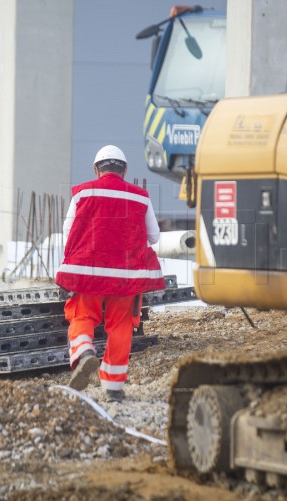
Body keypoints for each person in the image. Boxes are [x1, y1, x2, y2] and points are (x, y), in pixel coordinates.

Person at [56, 145, 165, 401]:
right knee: (121, 325)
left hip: (88, 272)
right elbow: (154, 236)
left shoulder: (82, 193)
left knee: (82, 314)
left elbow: (68, 232)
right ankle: (113, 388)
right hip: (125, 278)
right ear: (125, 170)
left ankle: (84, 353)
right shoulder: (140, 196)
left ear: (96, 170)